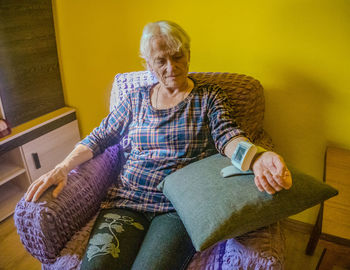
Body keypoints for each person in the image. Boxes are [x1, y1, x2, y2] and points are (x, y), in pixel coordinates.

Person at [25, 20, 292, 270]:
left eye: (177, 56)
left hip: (178, 208)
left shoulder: (209, 97)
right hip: (127, 201)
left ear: (188, 54)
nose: (171, 67)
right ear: (148, 65)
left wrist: (256, 158)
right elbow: (99, 137)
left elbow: (229, 137)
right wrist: (62, 167)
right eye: (160, 61)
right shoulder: (135, 99)